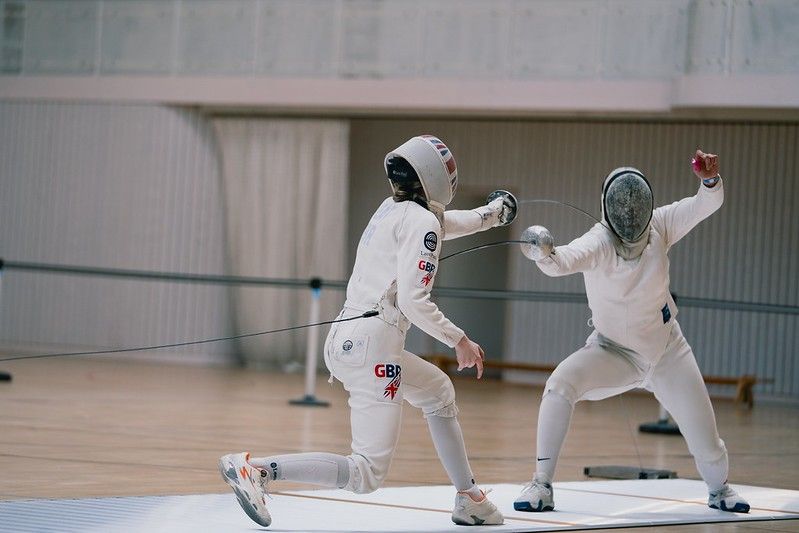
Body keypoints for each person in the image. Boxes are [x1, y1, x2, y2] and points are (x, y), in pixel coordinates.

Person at [220, 135, 515, 527]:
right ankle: (258, 471)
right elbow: (414, 300)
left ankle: (470, 498)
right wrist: (458, 340)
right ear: (436, 176)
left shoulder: (391, 210)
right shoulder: (423, 222)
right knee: (365, 473)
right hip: (374, 347)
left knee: (439, 392)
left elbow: (448, 223)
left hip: (350, 338)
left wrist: (493, 214)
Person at [514, 149, 750, 514]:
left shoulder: (661, 224)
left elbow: (705, 204)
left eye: (637, 209)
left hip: (668, 350)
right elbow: (563, 261)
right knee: (560, 385)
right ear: (609, 210)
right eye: (623, 210)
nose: (630, 216)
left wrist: (710, 181)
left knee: (708, 442)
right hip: (614, 353)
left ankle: (720, 490)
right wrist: (544, 253)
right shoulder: (599, 241)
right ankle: (541, 484)